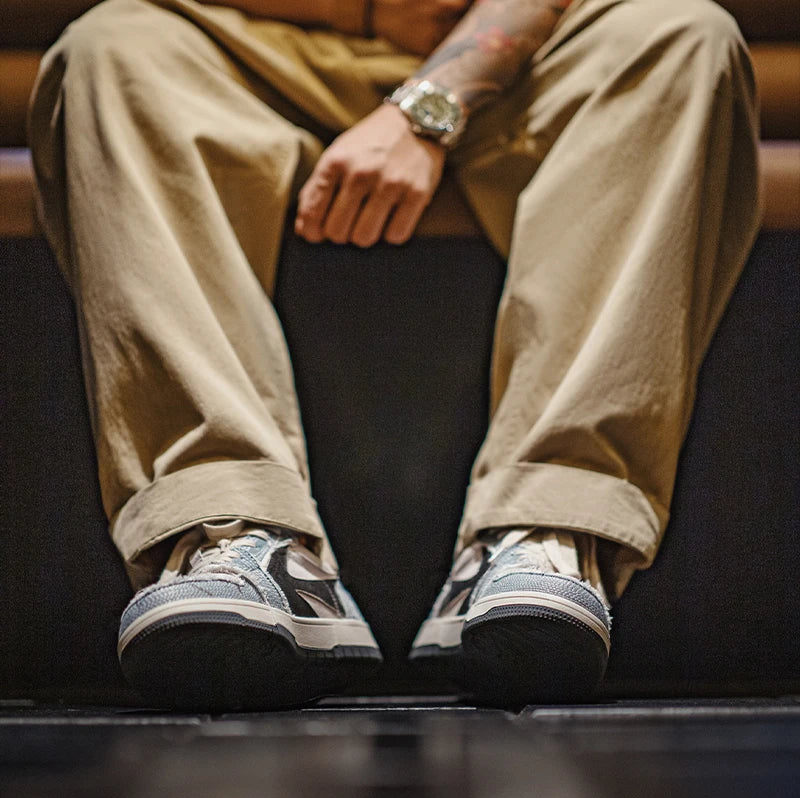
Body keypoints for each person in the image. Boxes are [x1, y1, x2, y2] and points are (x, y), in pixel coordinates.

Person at [28, 0, 760, 709]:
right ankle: (232, 530)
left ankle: (543, 529)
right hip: (260, 49)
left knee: (681, 34)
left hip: (519, 61)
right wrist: (366, 12)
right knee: (111, 48)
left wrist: (425, 108)